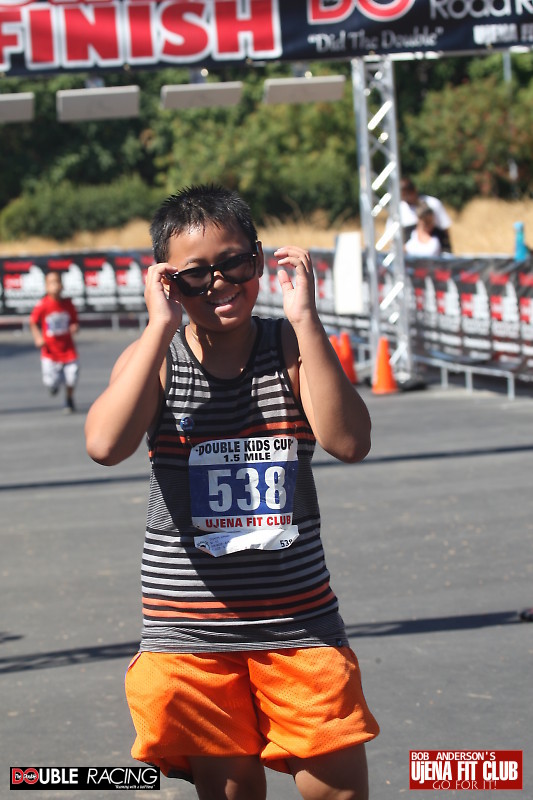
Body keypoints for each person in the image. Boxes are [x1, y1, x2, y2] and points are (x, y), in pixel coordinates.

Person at [85, 184, 379, 800]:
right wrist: (159, 327)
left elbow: (350, 442)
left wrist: (306, 320)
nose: (218, 283)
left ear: (259, 259)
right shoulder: (157, 358)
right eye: (194, 275)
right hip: (189, 634)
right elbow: (106, 444)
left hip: (298, 623)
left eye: (235, 263)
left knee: (338, 790)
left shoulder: (290, 347)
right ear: (167, 281)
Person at [29, 269, 79, 413]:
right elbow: (33, 322)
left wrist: (74, 326)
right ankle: (53, 386)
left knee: (72, 377)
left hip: (68, 349)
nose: (55, 286)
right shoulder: (43, 304)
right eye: (51, 283)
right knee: (51, 381)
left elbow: (74, 321)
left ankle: (69, 400)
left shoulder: (68, 304)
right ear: (46, 286)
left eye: (57, 282)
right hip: (50, 352)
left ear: (62, 285)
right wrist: (38, 337)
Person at [398, 177, 452, 252]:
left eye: (407, 195)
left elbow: (444, 228)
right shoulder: (399, 209)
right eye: (403, 196)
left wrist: (447, 249)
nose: (405, 198)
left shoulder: (433, 203)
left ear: (414, 190)